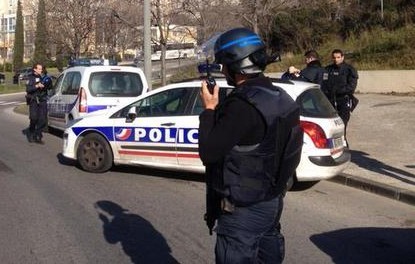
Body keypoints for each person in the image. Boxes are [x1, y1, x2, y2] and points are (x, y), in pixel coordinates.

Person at [198, 27, 303, 263]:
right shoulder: (279, 96)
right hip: (271, 201)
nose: (222, 70)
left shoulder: (242, 105)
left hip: (243, 211)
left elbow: (208, 152)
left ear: (236, 64)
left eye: (224, 64)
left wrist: (209, 109)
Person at [323, 49, 359, 144]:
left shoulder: (349, 70)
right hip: (330, 102)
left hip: (343, 101)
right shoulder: (327, 69)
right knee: (331, 127)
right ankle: (334, 146)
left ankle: (343, 146)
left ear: (342, 57)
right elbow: (323, 83)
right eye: (334, 58)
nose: (336, 60)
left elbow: (351, 87)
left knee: (342, 125)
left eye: (338, 57)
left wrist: (338, 91)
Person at [25, 63, 51, 143]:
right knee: (34, 118)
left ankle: (38, 135)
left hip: (42, 100)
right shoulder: (30, 77)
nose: (41, 70)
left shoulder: (43, 77)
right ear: (35, 69)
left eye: (41, 69)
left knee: (43, 120)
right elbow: (28, 89)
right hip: (34, 100)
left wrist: (47, 85)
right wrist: (37, 86)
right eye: (39, 69)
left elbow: (49, 87)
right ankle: (32, 131)